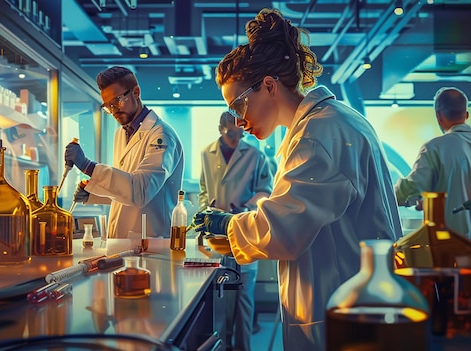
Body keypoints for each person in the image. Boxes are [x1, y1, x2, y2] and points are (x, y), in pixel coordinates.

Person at [193, 8, 402, 351]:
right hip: (345, 301)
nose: (238, 122)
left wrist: (228, 227)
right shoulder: (323, 123)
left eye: (239, 107)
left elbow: (285, 228)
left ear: (270, 86)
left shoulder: (319, 132)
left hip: (341, 313)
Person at [64, 66, 184, 238]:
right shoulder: (121, 133)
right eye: (108, 106)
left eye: (118, 101)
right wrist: (93, 193)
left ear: (136, 92)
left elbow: (141, 192)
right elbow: (125, 188)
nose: (113, 111)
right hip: (124, 242)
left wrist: (89, 167)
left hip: (151, 243)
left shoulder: (161, 136)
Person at [198, 111, 274, 351]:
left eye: (240, 131)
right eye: (231, 132)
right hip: (217, 237)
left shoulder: (255, 155)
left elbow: (266, 190)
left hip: (245, 229)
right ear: (221, 128)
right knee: (220, 296)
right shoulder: (206, 153)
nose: (237, 137)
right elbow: (203, 188)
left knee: (243, 297)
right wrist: (206, 209)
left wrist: (246, 207)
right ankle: (223, 346)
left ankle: (243, 348)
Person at [395, 87, 471, 237]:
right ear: (466, 115)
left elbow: (412, 187)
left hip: (451, 243)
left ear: (439, 116)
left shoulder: (435, 148)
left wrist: (389, 195)